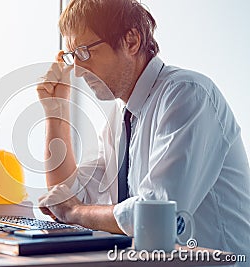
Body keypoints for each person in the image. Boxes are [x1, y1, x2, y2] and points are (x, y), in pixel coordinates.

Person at [36, 0, 250, 261]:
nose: (77, 72)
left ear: (131, 41)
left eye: (84, 52)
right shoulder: (119, 116)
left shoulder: (187, 95)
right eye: (73, 57)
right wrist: (57, 112)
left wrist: (75, 212)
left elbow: (156, 213)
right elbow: (65, 197)